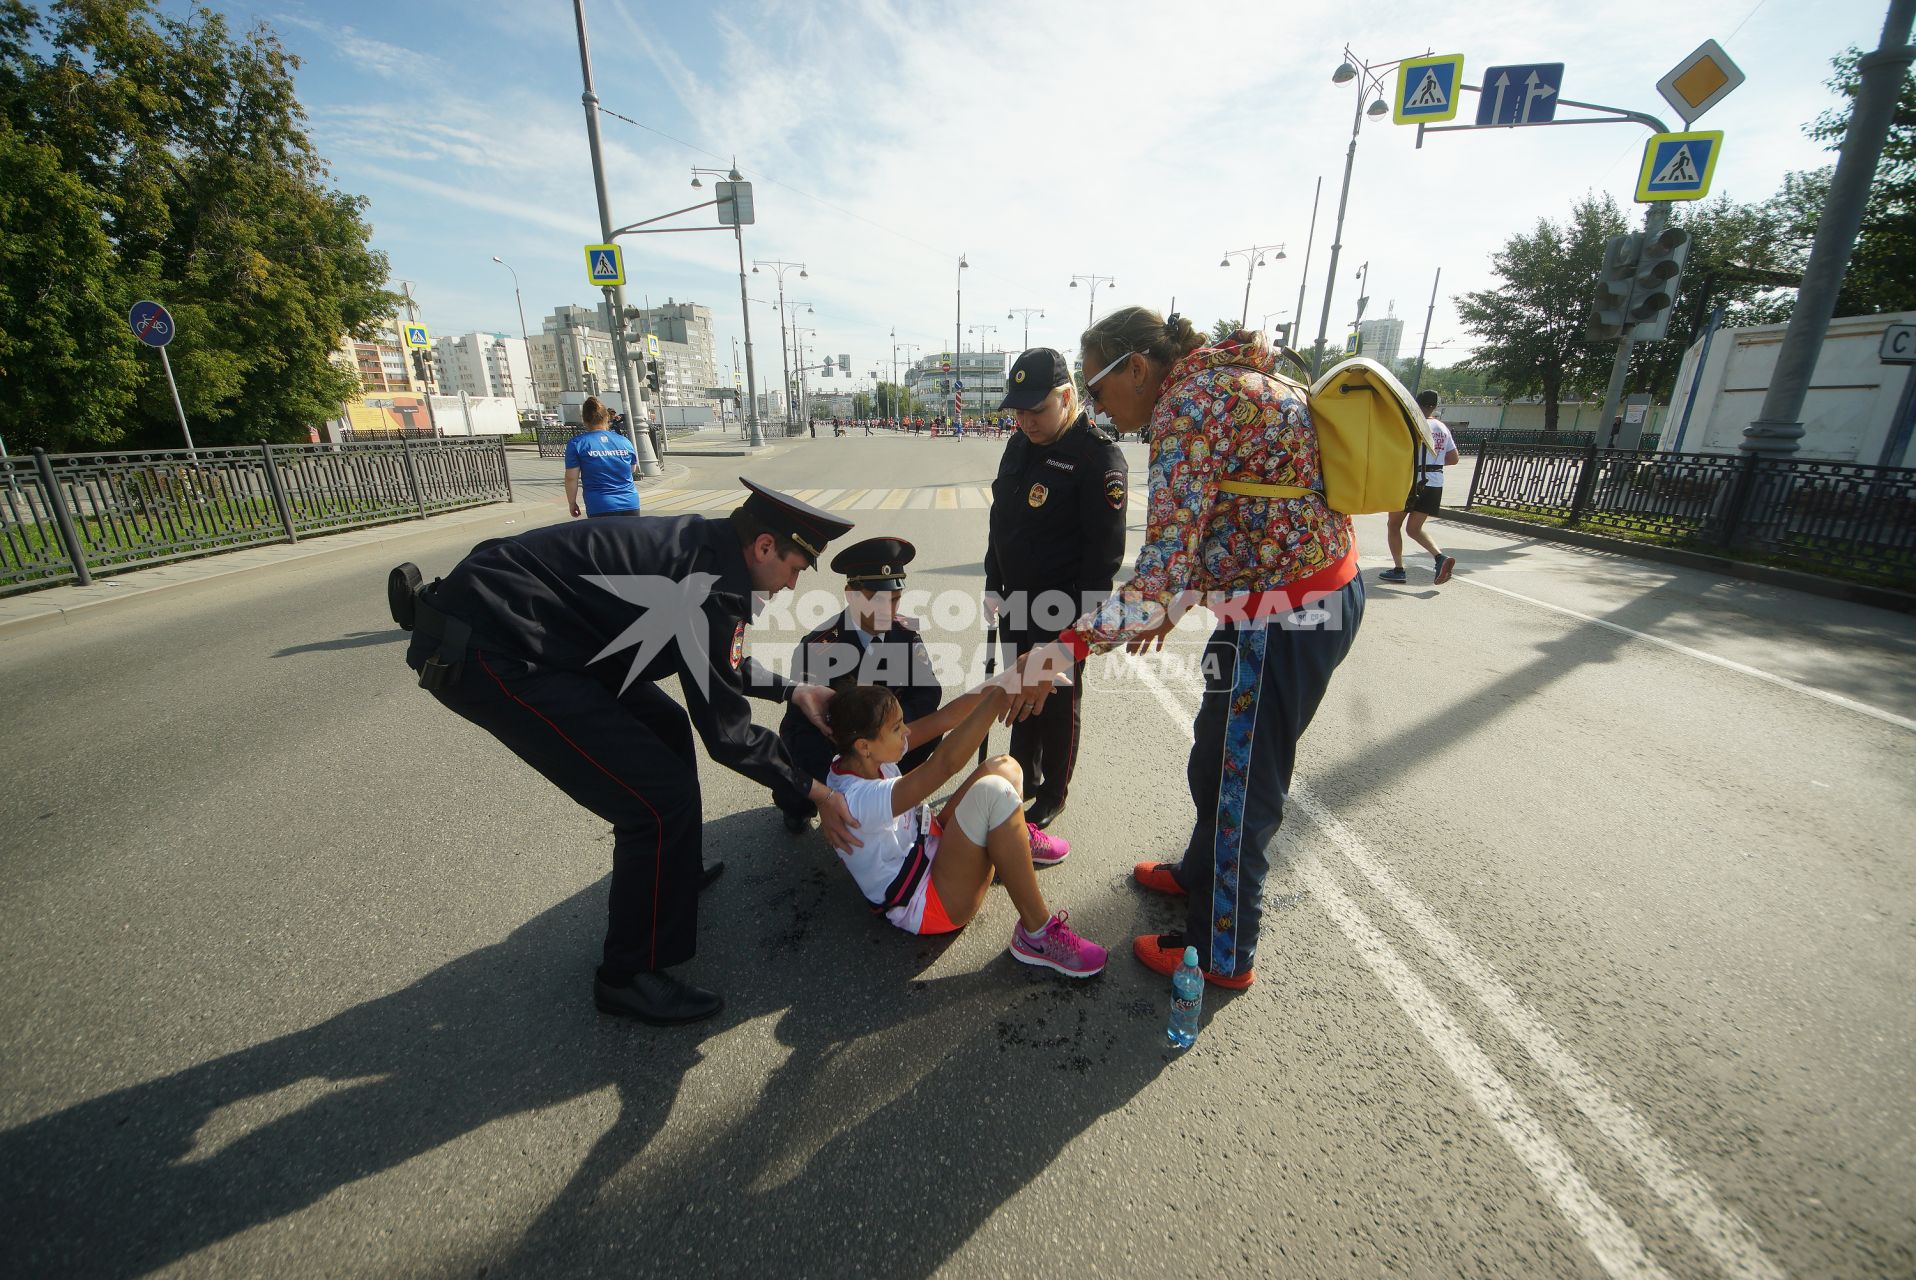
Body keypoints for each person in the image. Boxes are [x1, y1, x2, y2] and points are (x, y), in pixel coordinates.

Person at [397, 479, 860, 1026]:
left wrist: (792, 689)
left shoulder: (708, 550)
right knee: (653, 800)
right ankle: (627, 975)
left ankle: (673, 874)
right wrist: (819, 792)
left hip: (548, 635)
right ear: (763, 547)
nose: (792, 583)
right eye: (796, 568)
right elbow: (729, 735)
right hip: (495, 651)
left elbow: (714, 665)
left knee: (665, 726)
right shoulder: (710, 585)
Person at [1010, 308, 1365, 990]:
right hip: (1273, 603)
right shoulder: (1226, 379)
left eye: (1099, 389)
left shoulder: (1190, 405)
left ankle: (1223, 953)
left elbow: (1161, 569)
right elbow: (1235, 516)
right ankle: (1200, 875)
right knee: (1216, 753)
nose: (1099, 408)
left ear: (1137, 368)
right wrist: (1179, 600)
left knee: (1242, 785)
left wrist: (1063, 648)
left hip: (1285, 617)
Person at [826, 682, 1099, 975]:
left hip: (930, 845)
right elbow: (943, 764)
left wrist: (1012, 679)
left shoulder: (858, 758)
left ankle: (1013, 840)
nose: (906, 731)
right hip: (929, 902)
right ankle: (1036, 935)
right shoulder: (857, 801)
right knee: (994, 791)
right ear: (864, 745)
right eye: (896, 728)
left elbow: (946, 717)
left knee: (1004, 767)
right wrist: (997, 699)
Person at [981, 347, 1128, 830]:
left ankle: (1053, 794)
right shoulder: (1020, 442)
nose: (1025, 420)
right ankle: (1021, 774)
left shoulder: (1097, 457)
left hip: (1062, 609)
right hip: (1016, 600)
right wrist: (992, 580)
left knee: (1058, 705)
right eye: (1018, 410)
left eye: (1036, 409)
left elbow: (1102, 562)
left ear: (1067, 397)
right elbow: (1000, 516)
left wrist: (1073, 633)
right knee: (1018, 694)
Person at [776, 536, 944, 833]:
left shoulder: (904, 634)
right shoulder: (820, 646)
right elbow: (800, 727)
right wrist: (833, 786)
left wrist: (886, 734)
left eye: (894, 599)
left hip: (883, 742)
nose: (888, 611)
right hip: (835, 747)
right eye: (877, 599)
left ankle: (893, 794)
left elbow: (928, 693)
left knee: (931, 731)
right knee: (797, 780)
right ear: (851, 595)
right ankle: (801, 805)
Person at [1379, 389, 1460, 585]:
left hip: (1412, 481)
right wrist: (1433, 462)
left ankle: (1398, 569)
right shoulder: (1442, 427)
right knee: (1414, 529)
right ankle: (1440, 558)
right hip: (1435, 483)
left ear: (1415, 404)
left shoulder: (1413, 424)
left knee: (1394, 525)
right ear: (1435, 406)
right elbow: (1453, 458)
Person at [563, 397, 640, 519]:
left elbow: (571, 478)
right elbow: (632, 469)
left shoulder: (577, 444)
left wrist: (572, 503)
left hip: (599, 505)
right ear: (606, 417)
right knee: (630, 538)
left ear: (584, 419)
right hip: (630, 503)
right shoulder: (624, 441)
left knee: (603, 539)